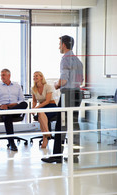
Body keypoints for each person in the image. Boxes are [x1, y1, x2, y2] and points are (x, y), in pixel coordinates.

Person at [41, 35, 83, 163]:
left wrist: (56, 85)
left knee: (61, 124)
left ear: (64, 45)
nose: (59, 46)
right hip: (77, 93)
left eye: (60, 44)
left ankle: (57, 156)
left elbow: (63, 81)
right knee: (74, 124)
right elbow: (81, 81)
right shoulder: (78, 60)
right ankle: (74, 156)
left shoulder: (65, 59)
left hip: (67, 95)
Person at [0, 68, 28, 151]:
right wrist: (0, 105)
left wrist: (15, 104)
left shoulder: (17, 86)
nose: (1, 77)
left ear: (9, 75)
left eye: (3, 75)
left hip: (15, 108)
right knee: (7, 115)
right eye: (1, 75)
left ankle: (9, 111)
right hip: (3, 109)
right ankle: (11, 143)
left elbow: (22, 99)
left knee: (25, 104)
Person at [31, 71, 57, 148]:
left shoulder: (47, 86)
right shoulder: (33, 89)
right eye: (34, 76)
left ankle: (45, 137)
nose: (35, 77)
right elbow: (34, 101)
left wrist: (37, 108)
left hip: (51, 106)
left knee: (40, 112)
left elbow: (47, 101)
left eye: (37, 76)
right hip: (41, 108)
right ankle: (47, 133)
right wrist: (32, 108)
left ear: (41, 77)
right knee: (40, 113)